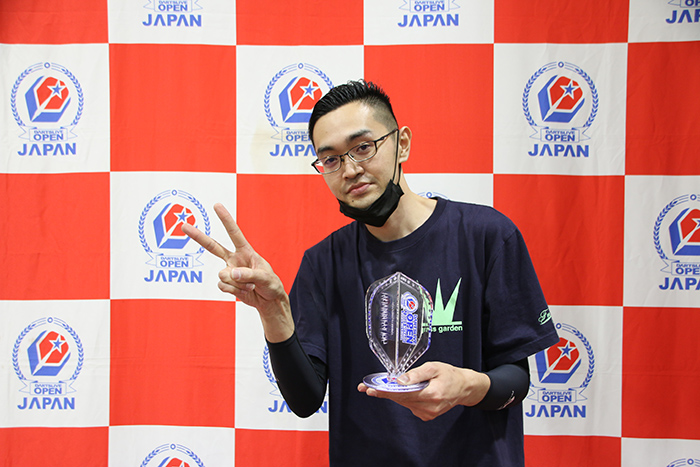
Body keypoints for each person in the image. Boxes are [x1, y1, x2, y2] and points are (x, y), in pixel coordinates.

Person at [182, 80, 559, 466]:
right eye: (331, 160)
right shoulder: (323, 263)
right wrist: (273, 310)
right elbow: (305, 400)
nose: (350, 170)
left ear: (402, 144)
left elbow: (517, 381)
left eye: (363, 147)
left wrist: (467, 385)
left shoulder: (486, 235)